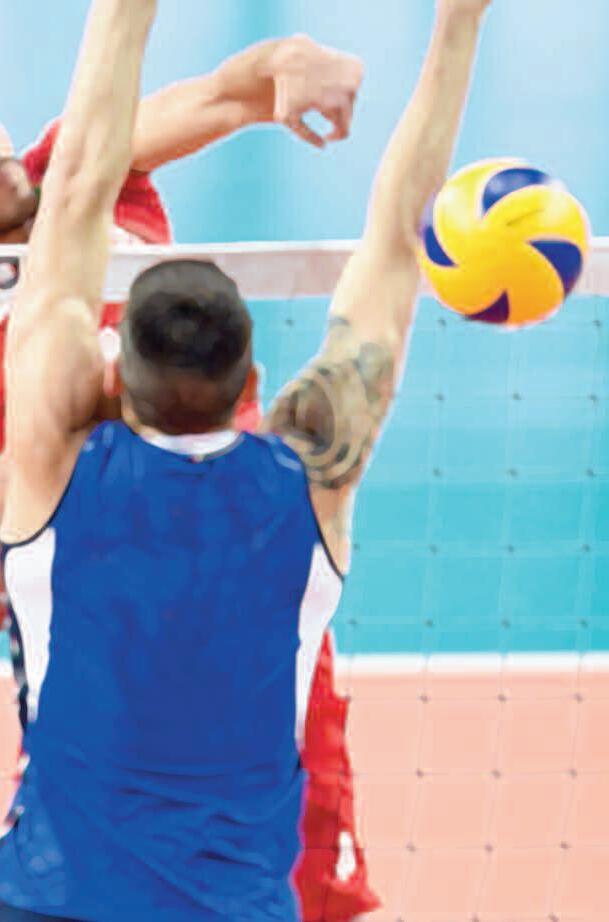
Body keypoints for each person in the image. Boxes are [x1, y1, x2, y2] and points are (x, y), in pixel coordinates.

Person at [0, 0, 491, 919]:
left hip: (49, 897)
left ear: (112, 375)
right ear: (254, 383)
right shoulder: (309, 481)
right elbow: (396, 241)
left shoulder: (48, 477)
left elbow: (71, 197)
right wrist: (459, 23)